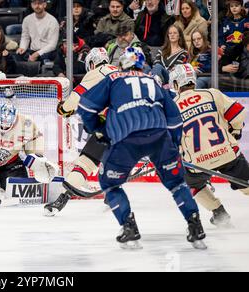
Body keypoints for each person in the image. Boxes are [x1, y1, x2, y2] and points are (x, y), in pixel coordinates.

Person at [76, 47, 207, 249]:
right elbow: (174, 118)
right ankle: (195, 225)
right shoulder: (154, 81)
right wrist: (172, 143)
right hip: (159, 137)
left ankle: (129, 226)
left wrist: (99, 129)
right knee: (177, 183)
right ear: (141, 63)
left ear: (123, 63)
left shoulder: (113, 79)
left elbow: (84, 108)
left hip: (125, 141)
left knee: (110, 185)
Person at [170, 63, 249, 227]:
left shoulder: (172, 106)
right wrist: (234, 132)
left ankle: (219, 213)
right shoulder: (211, 94)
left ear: (176, 84)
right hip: (226, 152)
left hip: (198, 162)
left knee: (191, 184)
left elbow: (171, 140)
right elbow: (239, 114)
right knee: (246, 182)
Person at [44, 47, 118, 216]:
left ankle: (63, 198)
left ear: (92, 63)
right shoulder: (118, 70)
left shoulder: (96, 72)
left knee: (86, 162)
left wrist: (64, 109)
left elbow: (75, 98)